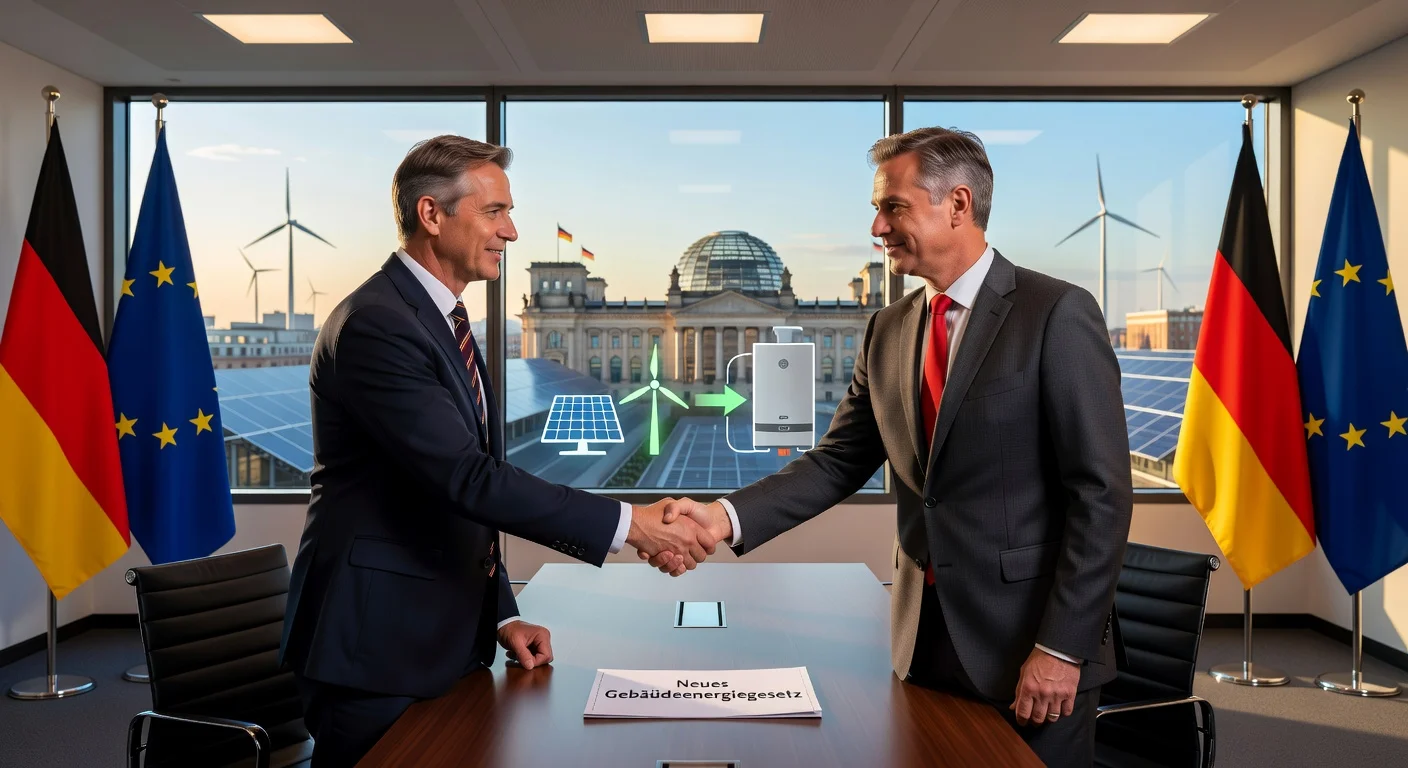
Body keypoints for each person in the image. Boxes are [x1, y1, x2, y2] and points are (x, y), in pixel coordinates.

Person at [651, 127, 1132, 767]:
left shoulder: (1057, 313)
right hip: (922, 636)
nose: (877, 225)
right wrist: (722, 517)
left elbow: (1100, 496)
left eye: (893, 206)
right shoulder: (890, 327)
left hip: (1030, 651)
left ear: (957, 205)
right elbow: (838, 462)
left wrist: (1062, 648)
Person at [280, 135, 712, 767]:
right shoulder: (379, 323)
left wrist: (501, 616)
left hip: (437, 638)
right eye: (495, 212)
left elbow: (453, 496)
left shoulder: (441, 319)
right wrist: (631, 525)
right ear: (432, 215)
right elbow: (466, 478)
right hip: (376, 647)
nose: (511, 232)